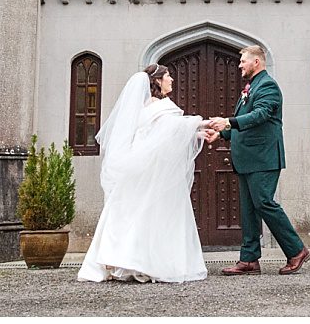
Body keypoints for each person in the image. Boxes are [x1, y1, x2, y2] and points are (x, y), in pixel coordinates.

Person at [77, 64, 214, 283]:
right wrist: (203, 122)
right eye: (168, 76)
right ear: (157, 80)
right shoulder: (155, 105)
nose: (172, 79)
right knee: (148, 212)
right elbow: (172, 128)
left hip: (147, 168)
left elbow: (166, 133)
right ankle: (144, 262)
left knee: (140, 213)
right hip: (151, 171)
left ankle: (133, 261)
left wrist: (198, 133)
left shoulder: (148, 106)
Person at [207, 45, 310, 275]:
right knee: (249, 209)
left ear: (257, 62)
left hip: (263, 157)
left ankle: (296, 250)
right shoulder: (251, 86)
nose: (239, 64)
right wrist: (222, 133)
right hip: (248, 159)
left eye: (243, 60)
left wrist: (228, 122)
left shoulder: (268, 86)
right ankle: (249, 259)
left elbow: (261, 115)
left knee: (264, 202)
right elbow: (246, 120)